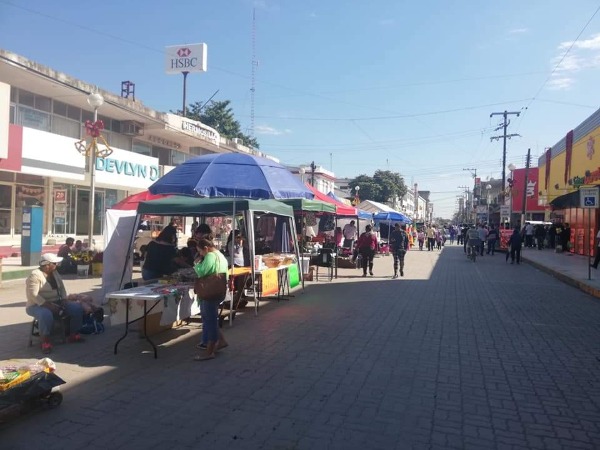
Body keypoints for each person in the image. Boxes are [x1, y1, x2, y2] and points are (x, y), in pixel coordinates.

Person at [25, 253, 86, 354]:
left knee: (77, 308)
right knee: (46, 314)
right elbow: (33, 295)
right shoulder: (34, 276)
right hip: (36, 305)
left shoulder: (55, 272)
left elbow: (61, 288)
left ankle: (74, 335)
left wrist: (64, 299)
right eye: (54, 263)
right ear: (47, 265)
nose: (57, 265)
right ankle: (45, 342)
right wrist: (49, 305)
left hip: (56, 301)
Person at [193, 238, 229, 361]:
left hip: (209, 292)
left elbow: (202, 272)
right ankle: (221, 341)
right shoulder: (220, 255)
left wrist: (197, 264)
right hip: (218, 291)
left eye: (200, 251)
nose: (200, 254)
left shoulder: (210, 256)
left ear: (206, 248)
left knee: (210, 321)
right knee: (210, 319)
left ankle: (210, 351)